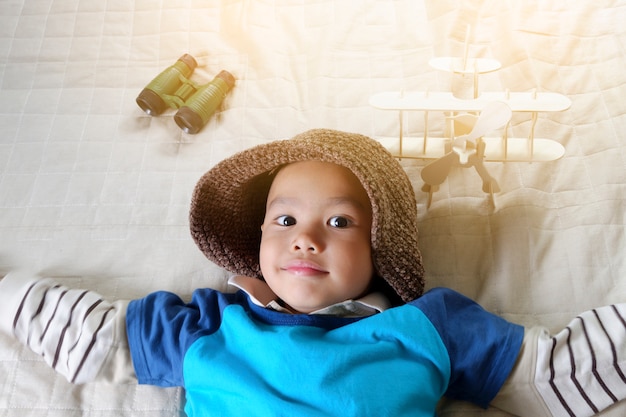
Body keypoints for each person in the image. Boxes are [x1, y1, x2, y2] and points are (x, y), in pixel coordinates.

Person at [0, 128, 625, 417]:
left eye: (340, 222)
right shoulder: (211, 324)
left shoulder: (430, 325)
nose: (305, 237)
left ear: (383, 245)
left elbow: (554, 375)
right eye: (284, 220)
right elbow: (93, 337)